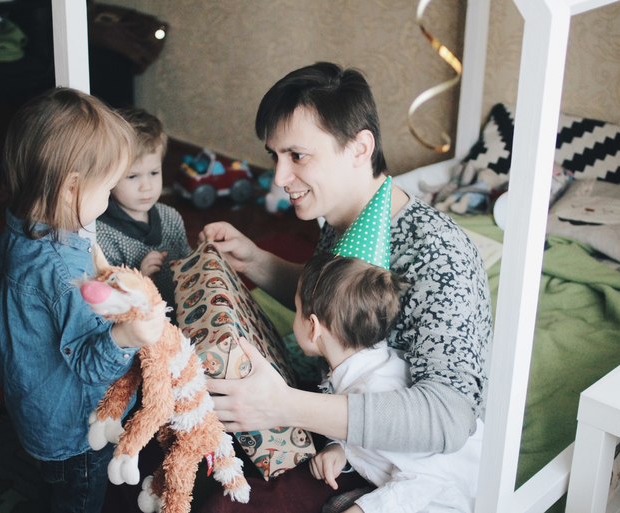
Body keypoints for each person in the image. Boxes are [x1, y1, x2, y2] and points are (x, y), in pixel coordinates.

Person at [199, 62, 492, 512]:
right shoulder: (339, 218)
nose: (279, 177)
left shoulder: (440, 256)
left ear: (360, 148)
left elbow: (448, 419)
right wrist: (256, 261)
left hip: (416, 472)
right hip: (345, 431)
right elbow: (336, 308)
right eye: (275, 156)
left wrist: (286, 405)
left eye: (297, 156)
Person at [0, 87, 166, 513]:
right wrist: (127, 335)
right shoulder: (63, 272)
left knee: (55, 484)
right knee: (79, 497)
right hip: (74, 429)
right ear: (72, 188)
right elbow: (89, 365)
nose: (106, 201)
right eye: (106, 189)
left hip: (34, 403)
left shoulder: (18, 229)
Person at [296, 252, 483, 513]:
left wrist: (363, 509)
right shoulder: (361, 369)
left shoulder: (376, 390)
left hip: (458, 500)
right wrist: (339, 449)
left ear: (313, 327)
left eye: (296, 310)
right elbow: (361, 428)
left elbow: (427, 480)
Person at [97, 107, 191, 313]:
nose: (146, 186)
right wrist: (141, 280)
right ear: (108, 175)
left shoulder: (171, 217)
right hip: (142, 324)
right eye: (133, 176)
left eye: (154, 173)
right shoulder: (103, 237)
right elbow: (109, 306)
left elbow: (188, 266)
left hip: (182, 314)